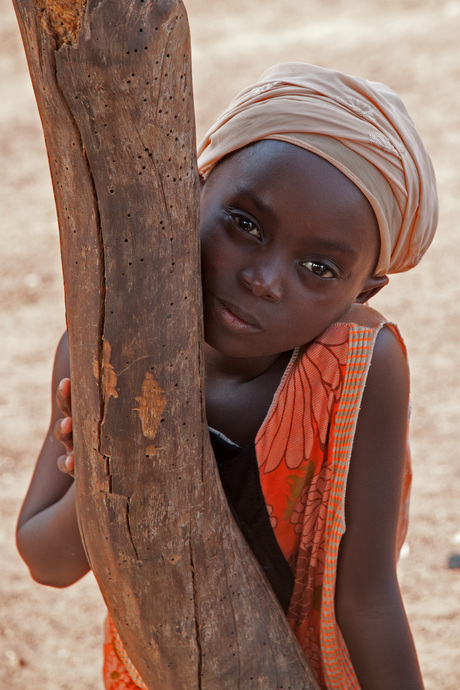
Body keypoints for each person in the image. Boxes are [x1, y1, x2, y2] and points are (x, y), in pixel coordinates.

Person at [16, 62, 438, 689]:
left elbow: (367, 598)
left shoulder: (356, 373)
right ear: (192, 189)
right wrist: (109, 469)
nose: (263, 279)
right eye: (245, 224)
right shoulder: (107, 346)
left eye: (319, 268)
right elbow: (47, 561)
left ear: (364, 290)